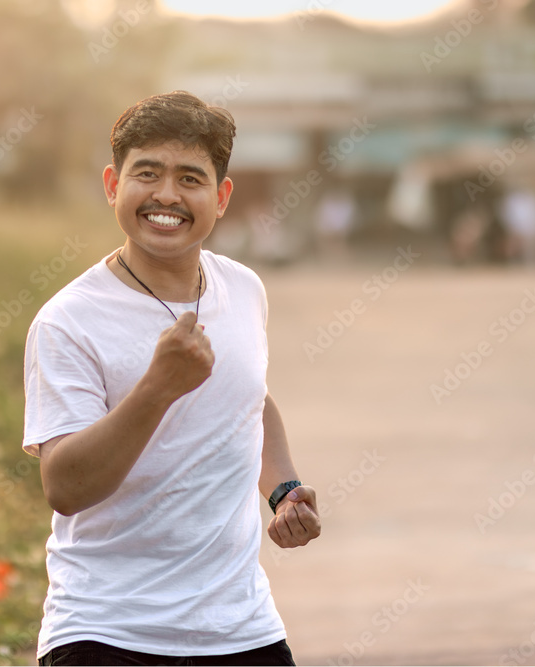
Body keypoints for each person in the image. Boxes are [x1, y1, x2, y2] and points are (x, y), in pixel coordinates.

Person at [22, 91, 321, 666]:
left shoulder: (243, 289)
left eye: (190, 177)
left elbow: (250, 400)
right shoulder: (69, 320)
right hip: (108, 633)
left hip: (243, 629)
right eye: (147, 173)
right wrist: (158, 388)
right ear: (113, 185)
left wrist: (283, 490)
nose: (166, 195)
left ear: (222, 196)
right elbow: (65, 486)